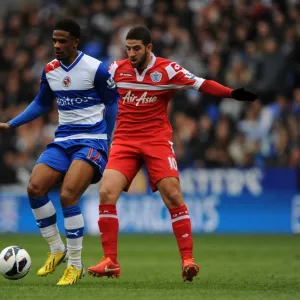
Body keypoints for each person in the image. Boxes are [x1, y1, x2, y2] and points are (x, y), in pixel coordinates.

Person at [87, 25, 257, 282]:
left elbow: (201, 84)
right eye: (128, 49)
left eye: (136, 48)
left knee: (173, 195)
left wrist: (231, 93)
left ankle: (188, 260)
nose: (131, 54)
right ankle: (110, 261)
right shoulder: (116, 70)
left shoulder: (167, 70)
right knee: (106, 192)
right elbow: (91, 86)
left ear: (148, 48)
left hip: (156, 141)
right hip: (124, 141)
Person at [0, 19, 119, 285]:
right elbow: (41, 103)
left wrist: (107, 139)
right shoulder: (51, 70)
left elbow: (112, 105)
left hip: (92, 140)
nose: (57, 45)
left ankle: (75, 265)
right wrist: (12, 123)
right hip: (64, 139)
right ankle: (57, 248)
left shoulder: (95, 69)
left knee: (67, 195)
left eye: (62, 41)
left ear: (75, 42)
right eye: (54, 40)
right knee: (35, 187)